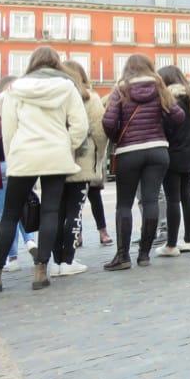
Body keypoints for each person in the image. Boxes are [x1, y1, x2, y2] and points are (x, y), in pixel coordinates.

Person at [0, 47, 88, 293]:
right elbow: (80, 125)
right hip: (55, 153)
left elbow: (8, 129)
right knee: (50, 211)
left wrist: (14, 153)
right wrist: (68, 145)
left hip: (23, 154)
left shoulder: (14, 91)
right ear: (57, 64)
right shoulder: (67, 87)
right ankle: (41, 269)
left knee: (10, 214)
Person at [101, 54, 185, 271]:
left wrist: (118, 136)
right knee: (150, 201)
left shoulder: (121, 89)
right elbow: (178, 116)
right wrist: (163, 130)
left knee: (124, 204)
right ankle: (144, 255)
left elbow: (108, 121)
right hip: (158, 150)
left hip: (129, 151)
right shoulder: (159, 87)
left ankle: (122, 256)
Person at [50, 60, 108, 277]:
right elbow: (100, 132)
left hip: (54, 161)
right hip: (81, 162)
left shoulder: (54, 97)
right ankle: (68, 260)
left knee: (56, 212)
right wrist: (98, 156)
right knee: (75, 210)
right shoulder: (90, 99)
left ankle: (55, 262)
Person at [0, 78, 38, 271]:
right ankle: (30, 240)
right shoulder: (20, 106)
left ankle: (13, 258)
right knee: (20, 207)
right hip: (19, 162)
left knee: (6, 213)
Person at [156, 66, 190, 257]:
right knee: (186, 196)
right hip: (188, 153)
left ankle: (171, 245)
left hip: (172, 153)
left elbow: (167, 128)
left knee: (172, 199)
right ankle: (189, 240)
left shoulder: (171, 101)